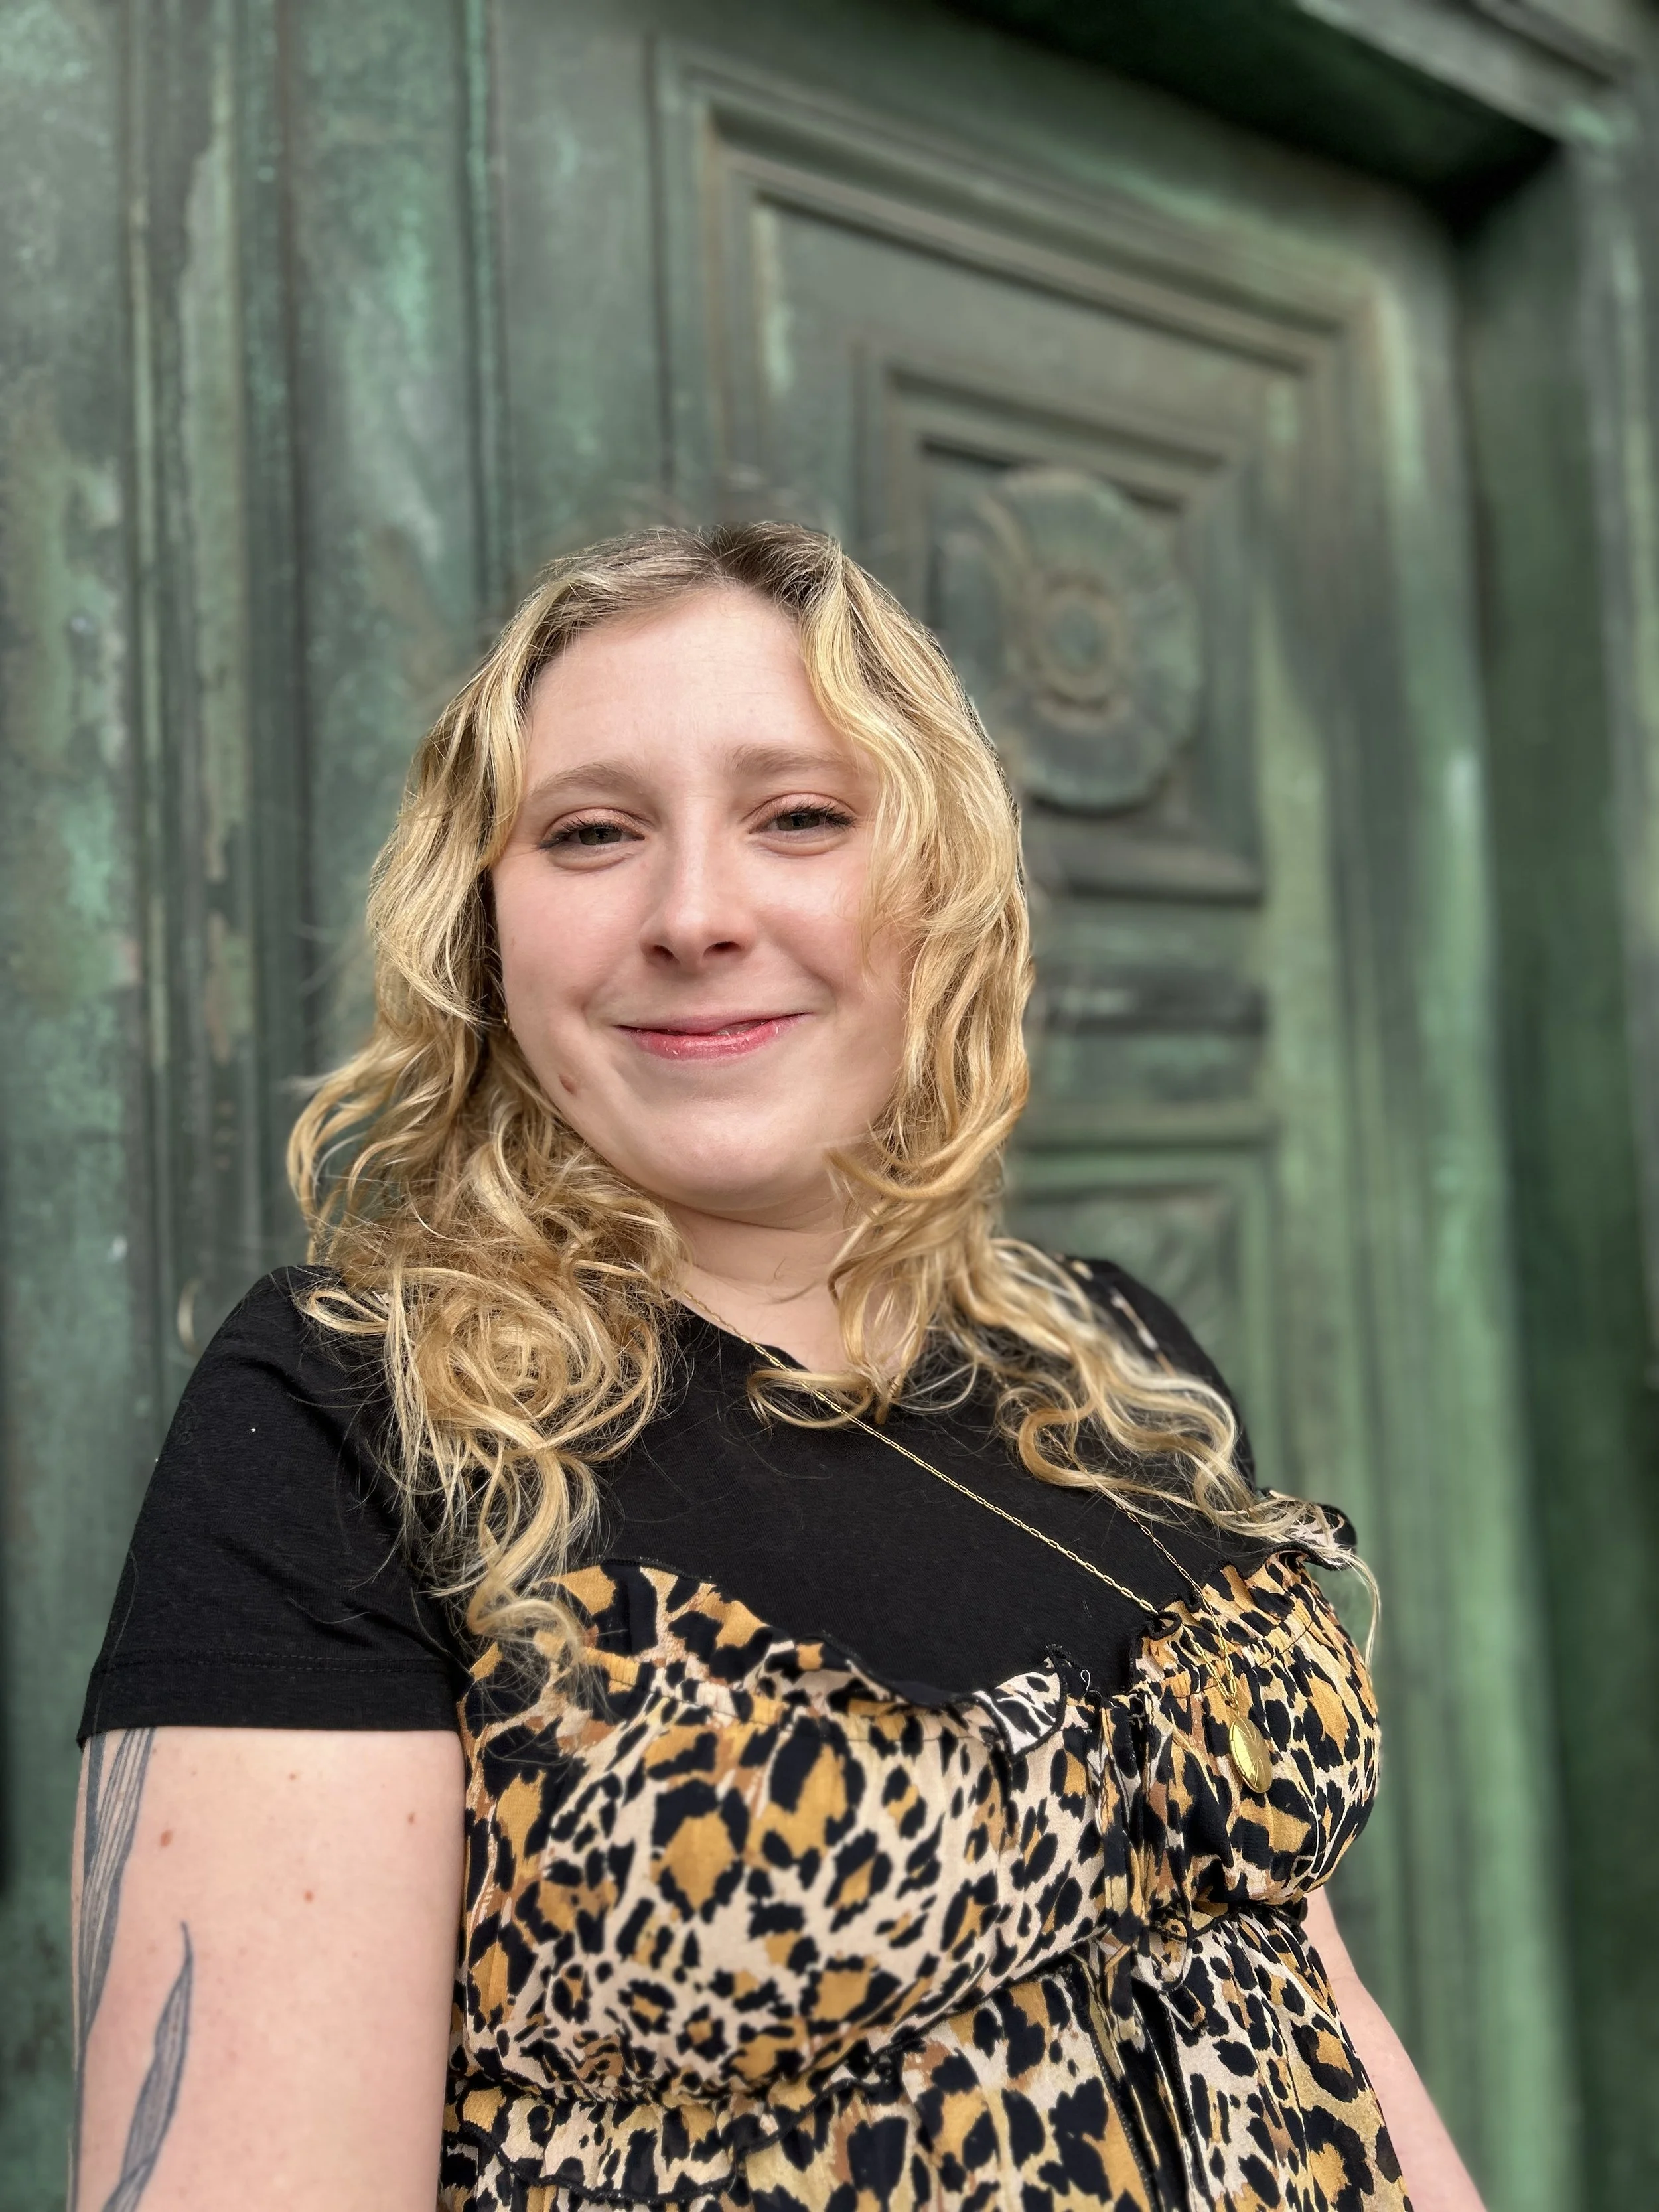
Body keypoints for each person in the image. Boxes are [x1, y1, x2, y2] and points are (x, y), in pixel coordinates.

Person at [72, 524, 1484, 2211]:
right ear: (484, 931)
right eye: (591, 833)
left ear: (937, 883)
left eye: (800, 815)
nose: (693, 914)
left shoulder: (1108, 1353)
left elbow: (1290, 1980)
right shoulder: (357, 1412)